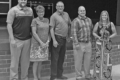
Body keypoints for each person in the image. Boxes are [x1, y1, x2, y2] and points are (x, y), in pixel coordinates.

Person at [6, 0, 33, 80]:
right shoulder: (13, 10)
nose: (23, 1)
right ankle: (14, 78)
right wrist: (12, 39)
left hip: (27, 39)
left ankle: (24, 78)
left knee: (25, 62)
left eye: (25, 0)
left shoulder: (30, 10)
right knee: (14, 62)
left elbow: (32, 24)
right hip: (16, 40)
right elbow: (9, 25)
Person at [49, 1, 71, 80]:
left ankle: (59, 75)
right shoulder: (53, 16)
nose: (60, 7)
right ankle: (53, 77)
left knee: (61, 58)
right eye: (59, 6)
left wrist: (68, 35)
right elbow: (51, 28)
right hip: (57, 38)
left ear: (64, 7)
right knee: (54, 59)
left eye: (62, 6)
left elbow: (68, 25)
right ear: (56, 7)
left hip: (64, 39)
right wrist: (54, 40)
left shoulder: (66, 14)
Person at [93, 10, 117, 80]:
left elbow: (115, 33)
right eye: (103, 15)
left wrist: (109, 37)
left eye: (105, 15)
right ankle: (98, 77)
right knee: (98, 60)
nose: (104, 16)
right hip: (99, 44)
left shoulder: (111, 24)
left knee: (107, 60)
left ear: (107, 16)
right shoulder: (98, 24)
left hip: (107, 45)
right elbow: (93, 32)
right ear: (101, 16)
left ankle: (107, 77)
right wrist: (98, 37)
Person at [71, 6, 93, 80]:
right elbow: (74, 33)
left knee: (88, 60)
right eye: (81, 11)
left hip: (88, 43)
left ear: (85, 11)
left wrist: (91, 41)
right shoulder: (75, 21)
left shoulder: (89, 20)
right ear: (78, 12)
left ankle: (87, 75)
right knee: (78, 61)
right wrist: (76, 44)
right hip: (79, 43)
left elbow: (91, 31)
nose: (82, 12)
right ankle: (78, 75)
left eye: (83, 10)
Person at [30, 5, 50, 80]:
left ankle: (39, 76)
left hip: (44, 44)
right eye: (40, 12)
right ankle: (35, 77)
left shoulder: (47, 20)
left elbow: (49, 32)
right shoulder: (34, 20)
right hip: (37, 44)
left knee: (41, 61)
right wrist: (41, 42)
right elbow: (34, 33)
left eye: (43, 11)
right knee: (36, 62)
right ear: (37, 13)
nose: (41, 13)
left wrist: (47, 41)